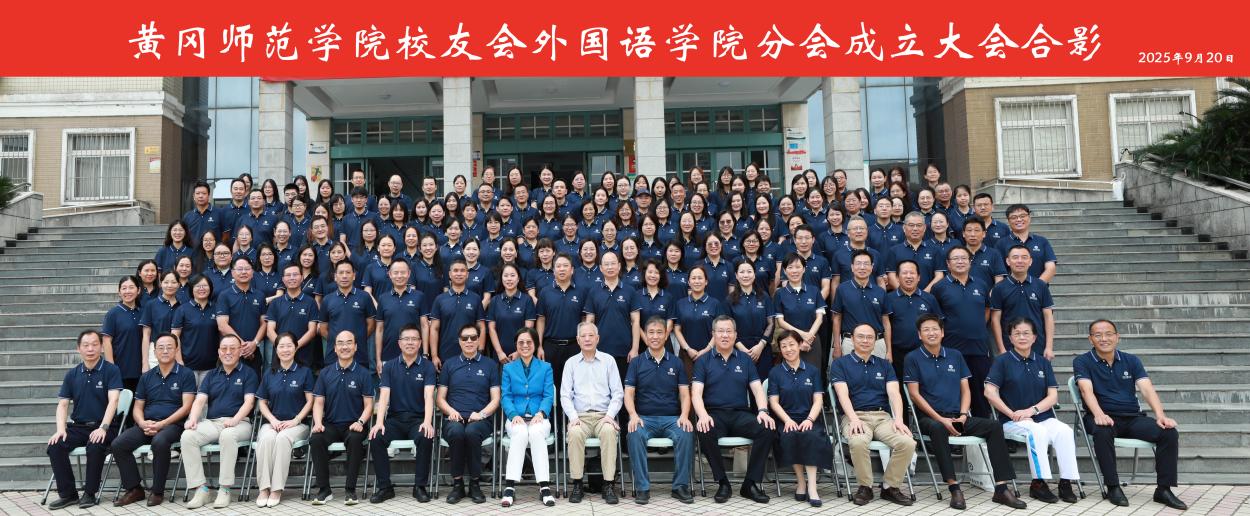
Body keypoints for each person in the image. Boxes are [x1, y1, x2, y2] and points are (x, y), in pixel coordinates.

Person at [904, 315, 1025, 510]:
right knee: (938, 428)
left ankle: (1002, 488)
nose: (931, 333)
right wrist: (941, 419)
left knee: (994, 426)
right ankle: (954, 488)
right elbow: (914, 395)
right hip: (930, 419)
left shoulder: (955, 355)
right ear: (919, 335)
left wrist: (962, 416)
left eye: (935, 329)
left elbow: (966, 390)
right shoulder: (912, 358)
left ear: (942, 332)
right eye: (926, 330)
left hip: (958, 416)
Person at [1073, 319, 1187, 510]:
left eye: (1109, 334)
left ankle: (1164, 490)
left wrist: (1160, 415)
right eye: (1098, 335)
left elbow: (1147, 389)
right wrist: (1099, 414)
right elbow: (1086, 390)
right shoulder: (1082, 361)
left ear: (1117, 337)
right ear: (1090, 339)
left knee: (1168, 432)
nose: (1104, 338)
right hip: (1101, 416)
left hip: (1133, 418)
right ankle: (1113, 487)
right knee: (1102, 431)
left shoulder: (1131, 360)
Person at [985, 318, 1079, 505]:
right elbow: (989, 392)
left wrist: (1032, 410)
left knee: (1065, 431)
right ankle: (1038, 483)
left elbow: (1053, 396)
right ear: (1010, 338)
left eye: (1026, 333)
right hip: (1012, 420)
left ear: (1035, 337)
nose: (1022, 337)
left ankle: (1066, 482)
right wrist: (1011, 413)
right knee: (1037, 432)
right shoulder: (1002, 361)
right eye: (1017, 333)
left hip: (1041, 416)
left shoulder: (1043, 362)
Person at [691, 316, 777, 504]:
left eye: (729, 331)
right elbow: (696, 394)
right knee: (704, 430)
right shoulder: (703, 361)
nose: (725, 335)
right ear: (713, 334)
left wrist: (763, 410)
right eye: (720, 331)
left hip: (740, 414)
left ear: (735, 335)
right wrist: (703, 415)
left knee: (767, 428)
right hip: (714, 414)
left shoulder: (745, 360)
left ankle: (750, 483)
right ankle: (723, 483)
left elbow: (757, 389)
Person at [829, 323, 915, 507]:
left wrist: (899, 419)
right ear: (852, 339)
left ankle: (890, 487)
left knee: (908, 442)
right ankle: (865, 487)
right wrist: (853, 419)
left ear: (875, 341)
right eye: (860, 336)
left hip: (883, 417)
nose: (865, 340)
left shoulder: (884, 365)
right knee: (858, 441)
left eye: (870, 337)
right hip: (855, 416)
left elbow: (894, 394)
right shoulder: (840, 364)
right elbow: (842, 395)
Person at [111, 333, 195, 507]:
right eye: (160, 347)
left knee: (160, 442)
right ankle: (135, 489)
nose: (165, 351)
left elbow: (186, 407)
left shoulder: (186, 374)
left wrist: (163, 424)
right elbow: (137, 407)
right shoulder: (147, 377)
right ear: (154, 351)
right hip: (148, 424)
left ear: (177, 350)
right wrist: (142, 422)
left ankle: (157, 491)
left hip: (174, 425)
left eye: (169, 347)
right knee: (118, 444)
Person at [45, 331, 123, 510]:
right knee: (56, 446)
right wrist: (60, 429)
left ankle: (90, 493)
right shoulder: (72, 374)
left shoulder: (111, 370)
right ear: (78, 348)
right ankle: (69, 494)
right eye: (86, 345)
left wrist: (103, 427)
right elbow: (63, 404)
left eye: (95, 344)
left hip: (106, 426)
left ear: (101, 347)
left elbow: (114, 400)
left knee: (95, 445)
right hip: (79, 427)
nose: (90, 349)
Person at [180, 335, 258, 509]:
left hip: (241, 423)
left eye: (232, 348)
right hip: (213, 423)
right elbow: (200, 401)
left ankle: (224, 489)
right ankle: (201, 489)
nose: (228, 352)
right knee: (187, 436)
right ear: (218, 352)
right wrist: (192, 419)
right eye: (224, 349)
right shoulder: (211, 375)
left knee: (228, 435)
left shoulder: (248, 373)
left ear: (240, 351)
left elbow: (249, 403)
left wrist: (235, 419)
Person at [624, 316, 695, 505]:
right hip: (644, 419)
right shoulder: (636, 362)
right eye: (651, 333)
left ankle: (680, 486)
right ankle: (642, 488)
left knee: (686, 432)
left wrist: (684, 416)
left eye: (659, 332)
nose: (655, 336)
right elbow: (628, 394)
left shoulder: (676, 362)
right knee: (634, 432)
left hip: (672, 418)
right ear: (645, 336)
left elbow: (685, 394)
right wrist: (633, 415)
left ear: (666, 335)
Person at [368, 325, 437, 504]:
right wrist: (379, 422)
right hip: (395, 419)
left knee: (426, 436)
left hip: (417, 419)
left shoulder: (428, 366)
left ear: (420, 343)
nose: (410, 342)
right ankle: (385, 487)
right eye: (406, 339)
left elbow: (429, 396)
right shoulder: (389, 366)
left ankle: (419, 487)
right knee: (376, 437)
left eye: (414, 339)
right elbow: (384, 396)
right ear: (399, 343)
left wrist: (427, 422)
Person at [436, 324, 501, 504]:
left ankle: (474, 484)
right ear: (459, 341)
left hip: (480, 419)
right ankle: (457, 485)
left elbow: (496, 398)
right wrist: (451, 411)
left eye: (473, 337)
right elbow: (440, 398)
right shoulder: (449, 364)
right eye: (465, 338)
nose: (469, 341)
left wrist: (482, 414)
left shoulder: (490, 365)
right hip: (453, 417)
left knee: (472, 432)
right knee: (457, 432)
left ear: (479, 340)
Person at [560, 322, 625, 504]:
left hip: (604, 415)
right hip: (580, 417)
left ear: (597, 338)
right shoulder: (571, 363)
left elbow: (618, 393)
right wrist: (573, 417)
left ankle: (608, 484)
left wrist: (610, 416)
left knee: (609, 432)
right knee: (574, 433)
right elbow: (565, 395)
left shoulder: (608, 361)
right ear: (578, 340)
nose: (587, 339)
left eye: (591, 335)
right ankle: (577, 484)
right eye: (583, 336)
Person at [767, 330, 832, 508]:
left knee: (811, 436)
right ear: (780, 349)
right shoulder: (775, 372)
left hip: (809, 418)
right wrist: (788, 420)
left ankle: (812, 487)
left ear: (799, 345)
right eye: (784, 346)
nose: (788, 349)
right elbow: (773, 402)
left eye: (791, 344)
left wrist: (810, 419)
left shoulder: (812, 371)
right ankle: (801, 482)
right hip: (785, 418)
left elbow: (818, 400)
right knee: (791, 435)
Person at [309, 331, 375, 505]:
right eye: (340, 343)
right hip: (331, 424)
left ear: (355, 347)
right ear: (335, 348)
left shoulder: (363, 373)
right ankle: (324, 490)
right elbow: (318, 402)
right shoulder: (325, 373)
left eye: (349, 342)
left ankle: (350, 490)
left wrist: (360, 422)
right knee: (316, 439)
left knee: (355, 439)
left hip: (355, 424)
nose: (345, 346)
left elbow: (369, 404)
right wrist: (318, 423)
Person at [930, 246, 994, 417]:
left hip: (979, 348)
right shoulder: (939, 287)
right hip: (952, 349)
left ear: (970, 262)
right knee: (953, 392)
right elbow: (935, 318)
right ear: (948, 263)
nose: (960, 262)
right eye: (955, 259)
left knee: (980, 393)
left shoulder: (981, 284)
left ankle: (982, 425)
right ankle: (956, 428)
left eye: (964, 258)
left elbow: (987, 309)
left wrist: (975, 326)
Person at [252, 333, 314, 508]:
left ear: (296, 348)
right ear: (276, 349)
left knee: (282, 438)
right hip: (273, 423)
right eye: (281, 346)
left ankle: (277, 489)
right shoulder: (270, 373)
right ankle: (264, 488)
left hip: (298, 424)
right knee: (266, 438)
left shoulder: (305, 372)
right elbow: (262, 402)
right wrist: (272, 420)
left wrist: (296, 420)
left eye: (289, 346)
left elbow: (310, 401)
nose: (285, 350)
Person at [499, 328, 557, 507]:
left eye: (529, 342)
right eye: (521, 342)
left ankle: (544, 487)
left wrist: (541, 413)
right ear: (516, 345)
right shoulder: (508, 368)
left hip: (539, 416)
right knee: (520, 433)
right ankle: (510, 487)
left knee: (537, 433)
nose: (525, 345)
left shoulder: (546, 367)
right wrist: (513, 414)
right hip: (516, 417)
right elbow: (505, 396)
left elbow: (548, 395)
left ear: (536, 344)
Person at [991, 245, 1057, 358]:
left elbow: (1048, 316)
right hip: (1009, 347)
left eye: (1024, 257)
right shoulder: (999, 288)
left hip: (1038, 346)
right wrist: (1001, 349)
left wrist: (1049, 347)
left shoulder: (1041, 285)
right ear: (1008, 261)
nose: (1020, 261)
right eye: (1015, 257)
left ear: (1030, 261)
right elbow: (995, 320)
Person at [886, 260, 944, 381]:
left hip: (925, 352)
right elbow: (886, 325)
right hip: (898, 353)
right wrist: (889, 351)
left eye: (912, 273)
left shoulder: (929, 298)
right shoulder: (889, 299)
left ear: (918, 277)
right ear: (897, 277)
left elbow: (939, 325)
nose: (908, 276)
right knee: (900, 385)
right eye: (904, 273)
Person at [830, 250, 892, 360]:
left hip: (877, 343)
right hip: (850, 343)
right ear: (852, 267)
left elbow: (886, 322)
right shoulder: (842, 289)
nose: (862, 267)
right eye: (858, 264)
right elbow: (837, 319)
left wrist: (889, 351)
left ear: (872, 267)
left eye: (866, 264)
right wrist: (837, 347)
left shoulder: (880, 292)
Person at [428, 259, 486, 371]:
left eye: (462, 271)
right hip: (445, 354)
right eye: (455, 270)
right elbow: (434, 329)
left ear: (467, 274)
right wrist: (434, 356)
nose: (459, 274)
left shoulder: (475, 298)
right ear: (450, 274)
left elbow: (481, 327)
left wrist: (480, 351)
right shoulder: (440, 299)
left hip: (471, 354)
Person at [536, 254, 586, 382]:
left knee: (575, 383)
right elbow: (541, 320)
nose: (562, 269)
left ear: (572, 270)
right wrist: (539, 346)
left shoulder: (581, 292)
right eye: (558, 266)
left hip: (575, 346)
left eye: (565, 266)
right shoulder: (545, 292)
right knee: (552, 384)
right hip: (550, 346)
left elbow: (584, 320)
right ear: (554, 270)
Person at [373, 260, 429, 374]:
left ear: (409, 274)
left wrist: (425, 354)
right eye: (396, 272)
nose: (399, 276)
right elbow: (379, 329)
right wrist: (378, 359)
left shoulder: (419, 296)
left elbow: (424, 326)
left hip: (414, 354)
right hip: (388, 354)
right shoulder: (383, 298)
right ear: (390, 274)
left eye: (403, 272)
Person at [317, 261, 376, 368]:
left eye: (348, 272)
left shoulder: (365, 297)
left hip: (359, 354)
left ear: (354, 276)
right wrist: (338, 342)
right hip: (333, 356)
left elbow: (371, 325)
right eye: (341, 273)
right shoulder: (327, 299)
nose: (344, 276)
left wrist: (357, 339)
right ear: (335, 277)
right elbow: (323, 329)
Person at [215, 257, 266, 373]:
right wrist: (242, 346)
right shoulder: (224, 295)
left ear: (252, 272)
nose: (244, 272)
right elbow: (222, 325)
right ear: (233, 273)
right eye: (239, 269)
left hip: (254, 352)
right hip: (230, 352)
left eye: (247, 269)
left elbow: (264, 323)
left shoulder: (260, 295)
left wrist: (254, 343)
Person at [265, 263, 320, 368]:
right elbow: (270, 330)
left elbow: (312, 331)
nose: (292, 278)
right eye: (288, 275)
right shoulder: (276, 303)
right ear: (283, 279)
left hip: (303, 356)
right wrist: (282, 347)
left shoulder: (311, 302)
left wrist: (294, 347)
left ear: (302, 278)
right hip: (280, 357)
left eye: (295, 274)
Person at [102, 275, 144, 392]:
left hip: (142, 370)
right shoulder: (113, 314)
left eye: (131, 287)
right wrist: (111, 368)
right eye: (124, 288)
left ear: (138, 290)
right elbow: (106, 341)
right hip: (121, 370)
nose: (127, 291)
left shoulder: (143, 312)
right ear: (119, 292)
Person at [996, 204, 1058, 283]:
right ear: (1008, 221)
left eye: (1022, 216)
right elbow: (998, 271)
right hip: (1010, 289)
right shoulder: (1001, 243)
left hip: (1038, 289)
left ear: (1029, 217)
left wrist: (1036, 286)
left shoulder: (1042, 241)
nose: (1019, 219)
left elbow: (1051, 268)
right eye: (1014, 217)